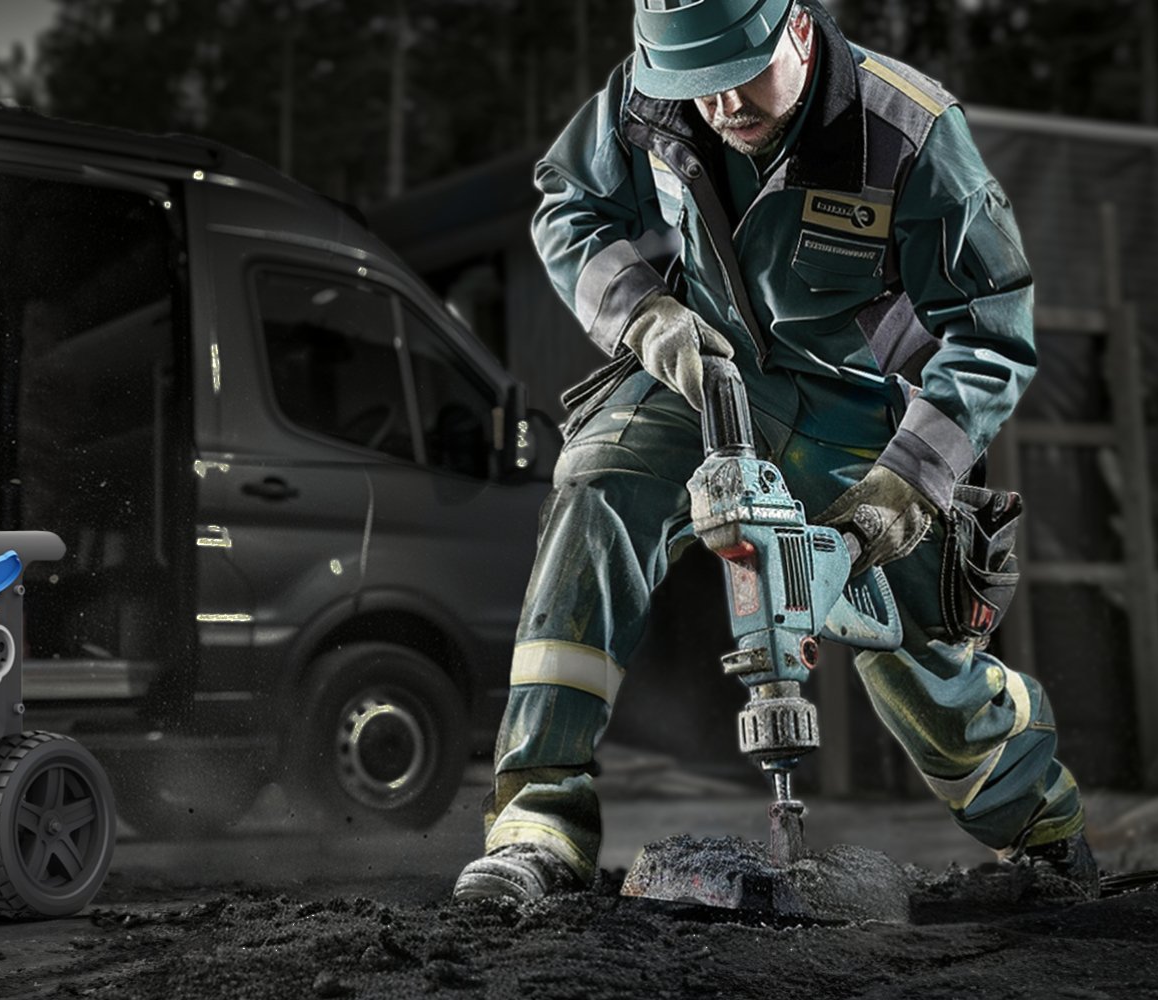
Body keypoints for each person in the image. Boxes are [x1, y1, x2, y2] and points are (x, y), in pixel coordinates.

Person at [452, 0, 1096, 903]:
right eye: (694, 84)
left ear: (797, 26)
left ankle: (1044, 831)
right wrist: (642, 312)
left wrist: (907, 485)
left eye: (736, 76)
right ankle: (539, 824)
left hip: (857, 418)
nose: (717, 105)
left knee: (911, 645)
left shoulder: (905, 131)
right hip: (702, 375)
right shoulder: (649, 92)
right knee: (596, 483)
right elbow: (568, 207)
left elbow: (991, 332)